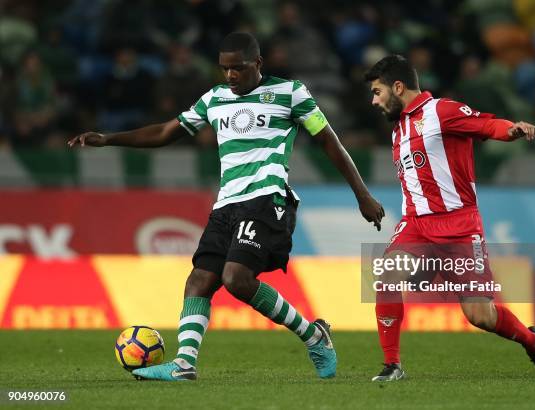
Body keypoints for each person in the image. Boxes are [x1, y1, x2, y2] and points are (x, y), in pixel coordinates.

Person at [69, 32, 385, 381]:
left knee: (235, 278)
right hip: (227, 205)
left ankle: (314, 337)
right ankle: (183, 364)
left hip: (267, 198)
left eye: (238, 68)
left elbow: (329, 142)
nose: (230, 76)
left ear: (258, 64)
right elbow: (164, 133)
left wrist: (362, 195)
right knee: (200, 280)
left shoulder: (290, 93)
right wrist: (109, 139)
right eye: (224, 68)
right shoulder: (215, 99)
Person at [363, 55, 535, 381]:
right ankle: (392, 365)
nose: (374, 100)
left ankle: (532, 341)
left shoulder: (441, 111)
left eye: (378, 91)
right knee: (387, 278)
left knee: (479, 316)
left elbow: (484, 123)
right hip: (416, 224)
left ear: (398, 87)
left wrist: (512, 130)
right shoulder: (399, 129)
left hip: (459, 226)